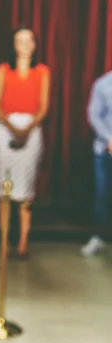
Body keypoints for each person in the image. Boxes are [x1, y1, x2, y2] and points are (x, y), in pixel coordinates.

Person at [0, 26, 50, 258]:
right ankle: (4, 239)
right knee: (4, 188)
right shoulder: (3, 70)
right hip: (6, 129)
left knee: (25, 190)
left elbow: (43, 105)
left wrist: (28, 127)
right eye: (20, 41)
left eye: (29, 41)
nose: (25, 45)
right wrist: (12, 126)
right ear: (13, 45)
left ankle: (23, 242)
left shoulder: (42, 72)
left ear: (34, 45)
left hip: (32, 129)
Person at [81, 72, 112, 257]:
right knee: (102, 195)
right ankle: (98, 237)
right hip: (104, 151)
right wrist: (109, 138)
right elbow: (94, 114)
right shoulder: (103, 84)